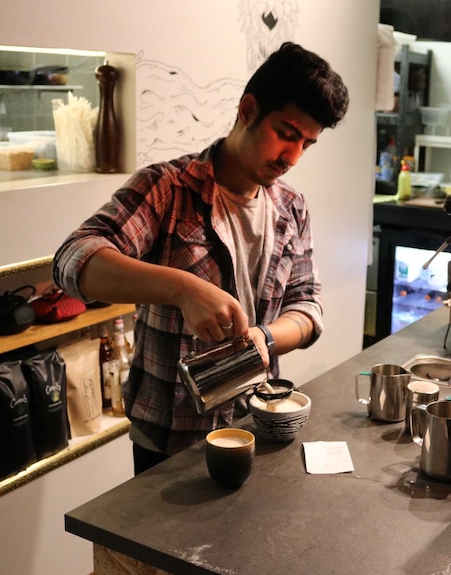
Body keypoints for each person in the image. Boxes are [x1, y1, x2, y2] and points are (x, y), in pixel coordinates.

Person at [53, 42, 349, 475]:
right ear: (248, 109)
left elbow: (307, 305)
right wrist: (183, 288)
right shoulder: (169, 188)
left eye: (307, 143)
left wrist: (264, 340)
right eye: (286, 134)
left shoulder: (291, 207)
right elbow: (73, 260)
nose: (293, 157)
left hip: (256, 420)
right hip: (170, 437)